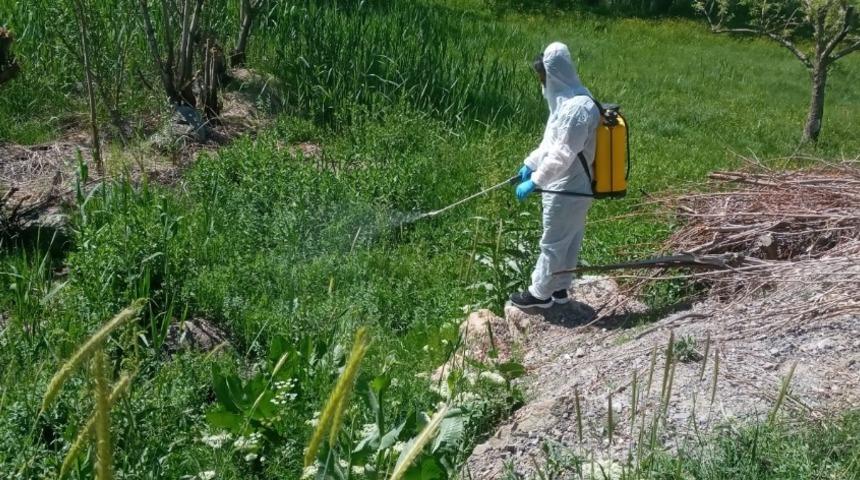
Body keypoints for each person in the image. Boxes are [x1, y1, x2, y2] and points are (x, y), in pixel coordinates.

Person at [510, 42, 600, 309]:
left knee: (553, 242)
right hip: (573, 185)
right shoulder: (568, 103)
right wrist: (530, 164)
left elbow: (561, 155)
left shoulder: (576, 110)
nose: (541, 83)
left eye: (542, 78)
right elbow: (550, 145)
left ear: (553, 75)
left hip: (568, 188)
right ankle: (560, 290)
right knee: (570, 238)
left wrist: (535, 181)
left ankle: (540, 294)